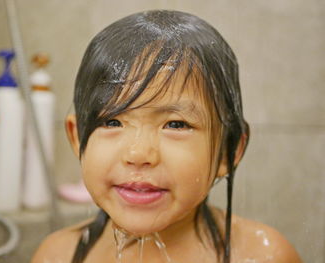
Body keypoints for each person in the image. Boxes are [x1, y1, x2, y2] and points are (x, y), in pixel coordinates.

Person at [31, 10, 302, 263]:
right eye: (112, 121)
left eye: (175, 124)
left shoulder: (262, 256)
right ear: (78, 138)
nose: (138, 154)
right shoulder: (57, 255)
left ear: (228, 150)